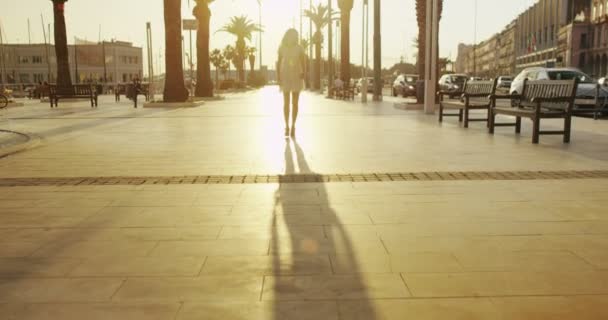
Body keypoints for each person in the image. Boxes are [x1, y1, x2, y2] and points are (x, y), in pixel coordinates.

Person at [277, 28, 305, 138]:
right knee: (286, 103)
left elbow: (303, 62)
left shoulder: (299, 48)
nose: (295, 37)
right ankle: (286, 126)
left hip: (296, 75)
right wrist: (278, 76)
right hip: (285, 75)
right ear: (288, 35)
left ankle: (293, 125)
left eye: (296, 36)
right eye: (294, 35)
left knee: (295, 103)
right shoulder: (282, 47)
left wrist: (304, 73)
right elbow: (278, 62)